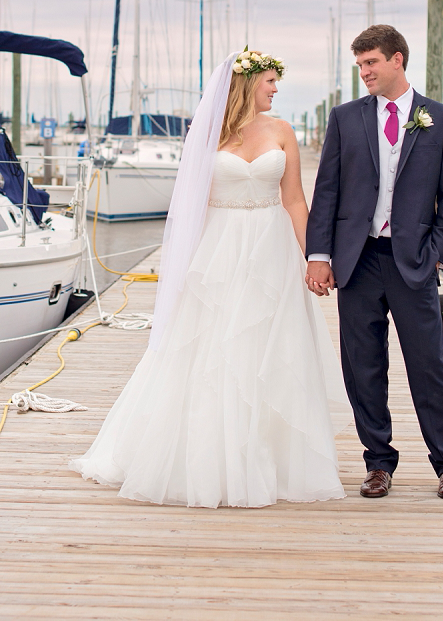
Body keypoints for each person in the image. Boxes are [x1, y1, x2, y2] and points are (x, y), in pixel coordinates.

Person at [70, 50, 351, 508]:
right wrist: (181, 268)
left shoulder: (282, 131)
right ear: (247, 83)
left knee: (271, 348)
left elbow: (296, 200)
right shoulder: (207, 133)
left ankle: (268, 460)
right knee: (209, 348)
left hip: (270, 247)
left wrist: (316, 258)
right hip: (217, 251)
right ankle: (204, 461)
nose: (276, 90)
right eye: (270, 82)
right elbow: (189, 207)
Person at [305, 25, 443, 500]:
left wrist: (437, 254)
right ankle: (378, 463)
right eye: (359, 65)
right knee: (363, 366)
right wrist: (319, 255)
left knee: (429, 364)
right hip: (357, 260)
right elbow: (328, 190)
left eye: (371, 63)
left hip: (412, 261)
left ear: (397, 60)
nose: (364, 73)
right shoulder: (345, 118)